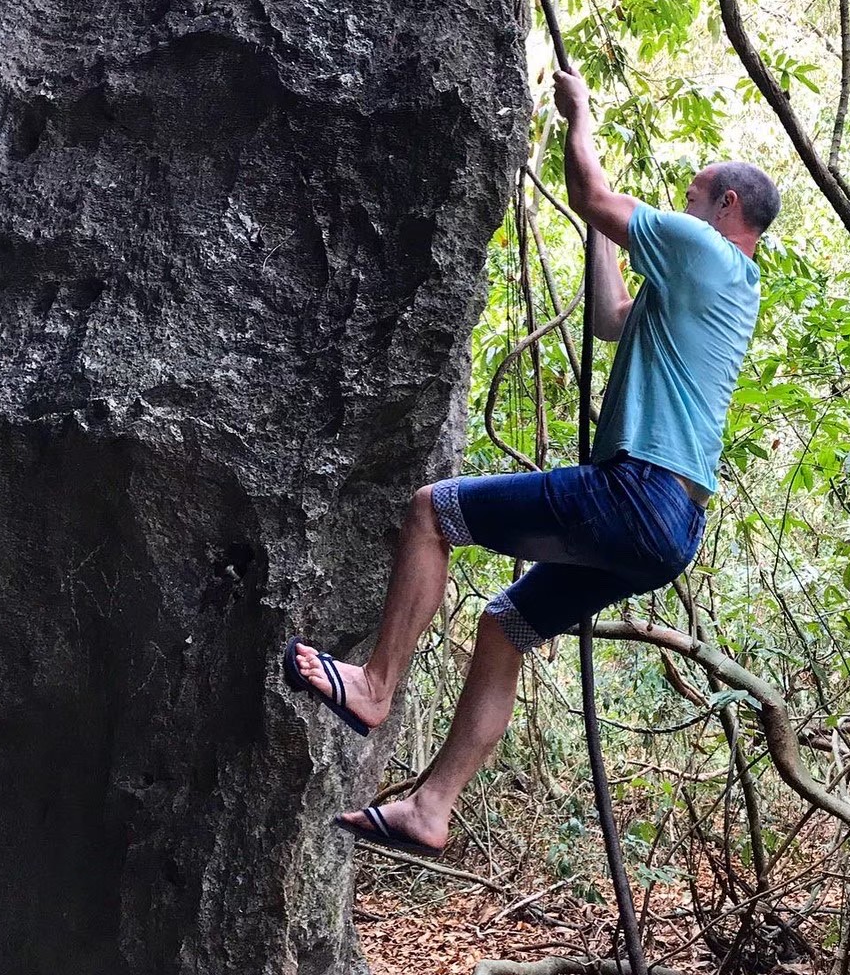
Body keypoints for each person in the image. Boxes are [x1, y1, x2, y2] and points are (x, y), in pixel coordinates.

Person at [283, 67, 780, 857]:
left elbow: (592, 192)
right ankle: (431, 809)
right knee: (505, 624)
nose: (680, 208)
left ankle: (374, 686)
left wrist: (580, 116)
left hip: (637, 492)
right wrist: (599, 229)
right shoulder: (720, 289)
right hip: (672, 531)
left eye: (690, 197)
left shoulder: (704, 250)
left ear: (724, 207)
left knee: (431, 512)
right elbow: (610, 318)